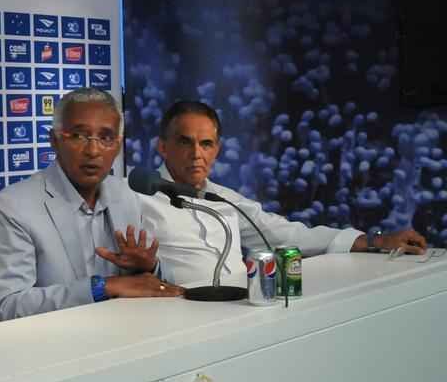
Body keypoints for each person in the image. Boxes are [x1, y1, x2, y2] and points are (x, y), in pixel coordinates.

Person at [144, 100, 427, 288]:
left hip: (237, 314)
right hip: (177, 319)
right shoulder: (138, 197)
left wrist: (376, 241)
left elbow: (286, 234)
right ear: (162, 147)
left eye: (206, 144)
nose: (196, 154)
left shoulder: (223, 198)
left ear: (217, 150)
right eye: (185, 142)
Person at [0, 88, 183, 320]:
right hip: (55, 342)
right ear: (54, 141)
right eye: (78, 136)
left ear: (118, 146)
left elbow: (157, 286)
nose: (93, 150)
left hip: (124, 332)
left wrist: (148, 267)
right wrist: (103, 287)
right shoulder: (15, 205)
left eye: (106, 137)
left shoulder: (126, 194)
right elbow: (9, 306)